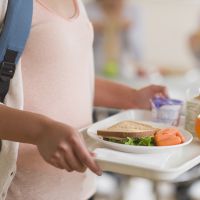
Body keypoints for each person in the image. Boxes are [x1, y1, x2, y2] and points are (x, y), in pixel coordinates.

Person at [0, 0, 167, 200]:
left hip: (81, 188)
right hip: (18, 192)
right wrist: (41, 131)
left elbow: (68, 77)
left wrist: (131, 97)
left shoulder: (77, 3)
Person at [86, 0, 145, 78]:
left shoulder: (133, 11)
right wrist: (92, 29)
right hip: (94, 72)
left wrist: (128, 30)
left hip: (124, 73)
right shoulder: (87, 10)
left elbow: (138, 54)